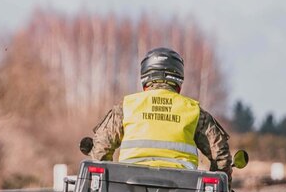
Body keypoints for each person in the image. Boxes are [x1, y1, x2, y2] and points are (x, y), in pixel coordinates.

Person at [86, 47, 233, 180]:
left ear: (145, 81)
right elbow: (221, 155)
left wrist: (105, 184)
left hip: (128, 187)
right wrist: (221, 189)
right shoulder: (193, 110)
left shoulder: (126, 107)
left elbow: (100, 150)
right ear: (179, 83)